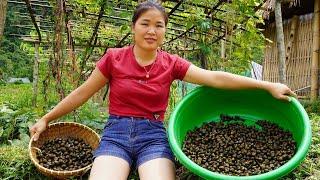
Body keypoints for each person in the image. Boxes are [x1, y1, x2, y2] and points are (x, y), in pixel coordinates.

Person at [29, 1, 296, 180]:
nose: (152, 30)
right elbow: (81, 93)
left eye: (159, 25)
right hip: (116, 135)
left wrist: (266, 85)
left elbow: (214, 78)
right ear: (133, 27)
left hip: (153, 136)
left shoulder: (171, 64)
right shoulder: (114, 58)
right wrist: (46, 119)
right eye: (145, 23)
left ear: (165, 31)